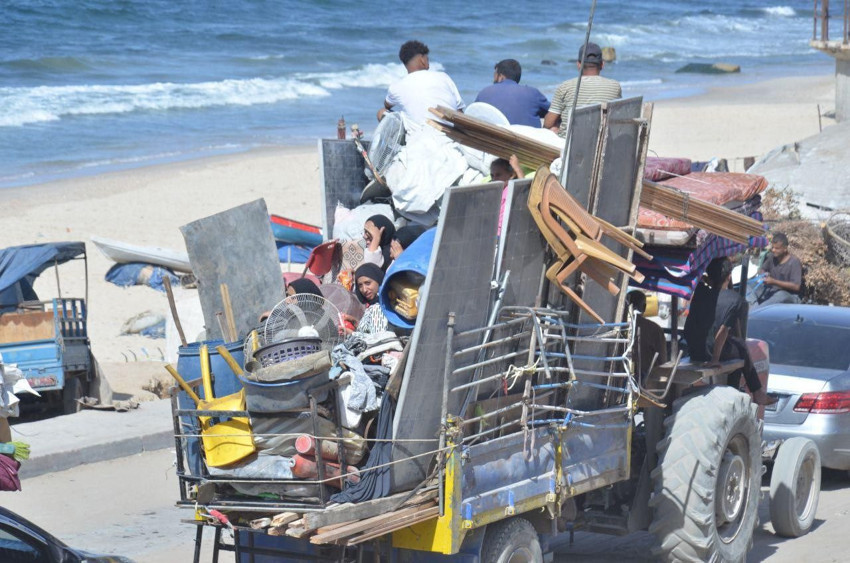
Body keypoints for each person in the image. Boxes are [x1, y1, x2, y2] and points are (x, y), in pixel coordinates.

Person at [708, 258, 776, 406]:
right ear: (729, 276)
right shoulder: (735, 299)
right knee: (740, 346)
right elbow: (724, 331)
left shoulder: (700, 295)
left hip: (695, 349)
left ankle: (752, 392)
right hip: (713, 351)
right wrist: (715, 359)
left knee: (738, 347)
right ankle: (756, 392)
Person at [377, 40, 465, 126]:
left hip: (417, 140)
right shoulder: (444, 77)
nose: (428, 62)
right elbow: (459, 112)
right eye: (427, 58)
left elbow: (387, 104)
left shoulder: (396, 86)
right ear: (422, 59)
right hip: (450, 137)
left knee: (382, 112)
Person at [544, 42, 621, 137]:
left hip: (569, 147)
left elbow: (547, 124)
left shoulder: (566, 87)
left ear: (579, 65)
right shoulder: (615, 86)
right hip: (602, 145)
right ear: (602, 65)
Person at [474, 59, 549, 127]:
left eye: (495, 74)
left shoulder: (485, 92)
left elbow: (474, 114)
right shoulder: (533, 93)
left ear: (501, 77)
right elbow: (555, 112)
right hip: (525, 140)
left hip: (491, 138)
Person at [626, 290, 667, 377]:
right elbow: (662, 361)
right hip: (646, 380)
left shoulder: (617, 326)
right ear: (644, 307)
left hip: (620, 375)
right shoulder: (655, 329)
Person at [755, 232, 802, 306]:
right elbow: (762, 269)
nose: (773, 250)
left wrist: (774, 282)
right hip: (773, 290)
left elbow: (796, 286)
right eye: (772, 247)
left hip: (789, 295)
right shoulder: (772, 257)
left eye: (777, 248)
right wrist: (763, 275)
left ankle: (757, 311)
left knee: (780, 295)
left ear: (785, 249)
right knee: (750, 286)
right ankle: (751, 307)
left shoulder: (794, 262)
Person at [353, 263, 389, 334]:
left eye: (368, 283)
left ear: (378, 280)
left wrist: (352, 334)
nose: (364, 290)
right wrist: (355, 323)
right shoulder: (373, 305)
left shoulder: (378, 307)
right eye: (360, 285)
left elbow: (378, 339)